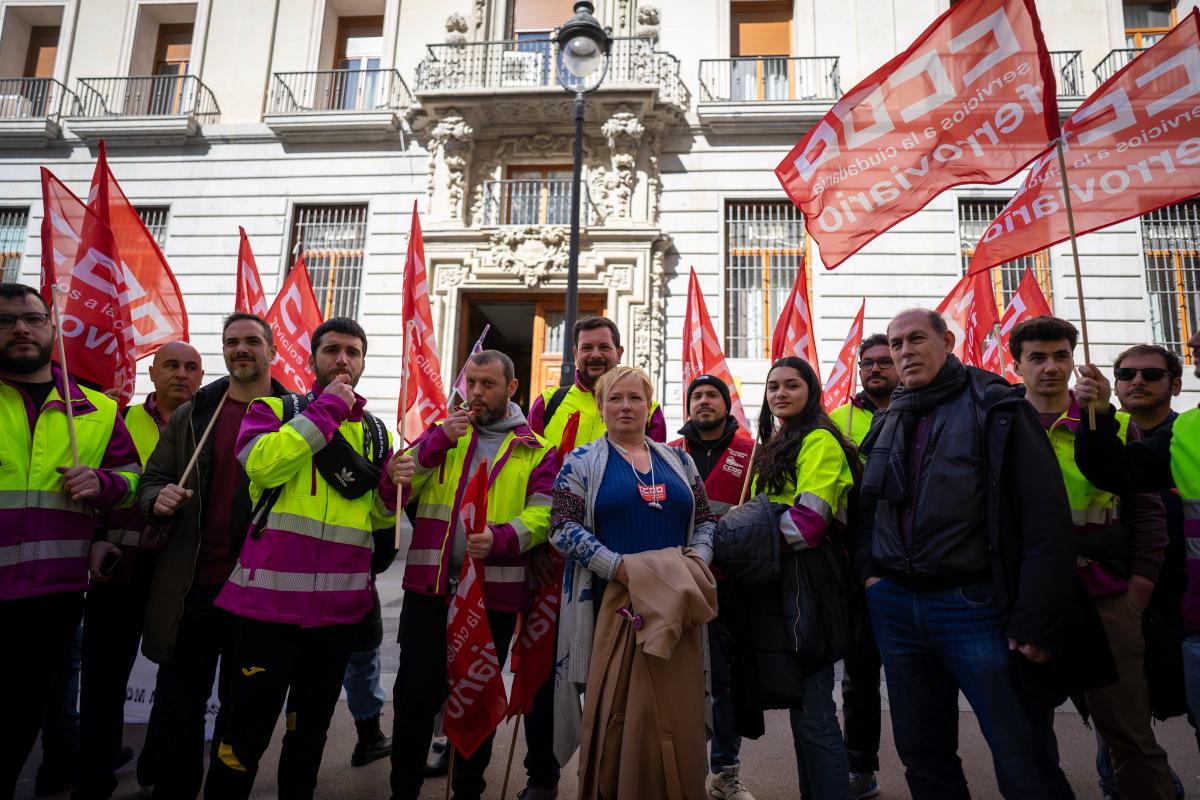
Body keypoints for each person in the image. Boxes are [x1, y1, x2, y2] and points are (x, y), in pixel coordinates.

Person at [858, 308, 1076, 799]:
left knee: (1023, 756)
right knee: (923, 755)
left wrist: (1036, 618)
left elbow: (1046, 521)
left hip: (976, 607)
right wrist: (874, 576)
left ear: (948, 340)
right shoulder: (891, 412)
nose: (905, 351)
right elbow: (869, 509)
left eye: (917, 339)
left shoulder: (997, 405)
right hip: (897, 606)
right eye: (896, 344)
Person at [202, 317, 397, 799]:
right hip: (266, 611)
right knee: (242, 736)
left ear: (364, 361)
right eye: (331, 350)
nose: (342, 360)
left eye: (353, 351)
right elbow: (262, 465)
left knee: (308, 735)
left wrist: (393, 488)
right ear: (311, 360)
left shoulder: (375, 431)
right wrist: (327, 408)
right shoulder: (273, 408)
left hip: (336, 616)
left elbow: (374, 516)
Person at [1009, 317, 1173, 799]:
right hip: (1028, 601)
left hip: (1106, 597)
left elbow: (1147, 514)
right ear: (1016, 366)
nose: (1051, 367)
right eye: (1037, 357)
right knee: (1027, 735)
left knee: (1132, 740)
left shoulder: (1113, 423)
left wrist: (1139, 590)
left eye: (1061, 355)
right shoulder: (999, 425)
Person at [389, 349, 556, 800]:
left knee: (476, 698)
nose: (477, 394)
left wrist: (502, 538)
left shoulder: (536, 448)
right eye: (471, 384)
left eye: (488, 385)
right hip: (429, 587)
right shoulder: (441, 433)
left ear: (512, 389)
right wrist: (435, 441)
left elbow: (544, 516)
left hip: (492, 596)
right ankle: (401, 790)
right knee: (414, 697)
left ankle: (468, 790)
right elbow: (402, 487)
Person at [136, 313, 287, 799]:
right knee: (178, 706)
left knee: (243, 716)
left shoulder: (298, 414)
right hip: (195, 589)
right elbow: (151, 481)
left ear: (272, 350)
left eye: (251, 341)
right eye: (231, 342)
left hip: (259, 595)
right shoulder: (192, 414)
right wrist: (155, 501)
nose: (240, 349)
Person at [0, 283, 141, 800]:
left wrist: (103, 485)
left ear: (52, 327)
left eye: (32, 318)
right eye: (6, 319)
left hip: (51, 601)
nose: (20, 328)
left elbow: (132, 481)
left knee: (18, 723)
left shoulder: (100, 411)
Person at [550, 365, 718, 798]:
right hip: (613, 610)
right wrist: (621, 569)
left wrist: (695, 564)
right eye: (615, 398)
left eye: (635, 398)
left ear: (650, 406)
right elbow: (562, 528)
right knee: (618, 719)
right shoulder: (581, 462)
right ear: (601, 407)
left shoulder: (679, 460)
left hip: (678, 608)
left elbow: (706, 521)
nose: (625, 406)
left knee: (679, 716)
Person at [522, 316, 667, 800]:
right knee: (546, 674)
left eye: (604, 346)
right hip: (554, 563)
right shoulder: (550, 403)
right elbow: (534, 476)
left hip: (620, 571)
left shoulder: (647, 406)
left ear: (618, 350)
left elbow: (659, 476)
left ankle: (618, 774)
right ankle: (541, 776)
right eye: (586, 347)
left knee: (622, 676)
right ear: (575, 354)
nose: (595, 354)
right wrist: (541, 548)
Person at [75, 341, 204, 800]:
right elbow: (93, 488)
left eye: (191, 367)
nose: (181, 375)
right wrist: (96, 542)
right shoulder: (117, 419)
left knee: (174, 682)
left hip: (176, 576)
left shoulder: (206, 426)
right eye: (171, 365)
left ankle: (156, 762)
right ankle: (93, 775)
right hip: (118, 571)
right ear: (152, 372)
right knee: (104, 679)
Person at [737, 356, 857, 799]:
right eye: (773, 387)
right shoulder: (773, 444)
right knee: (802, 707)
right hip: (778, 584)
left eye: (791, 385)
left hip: (811, 581)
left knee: (813, 710)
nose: (781, 394)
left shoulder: (820, 440)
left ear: (811, 391)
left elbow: (808, 523)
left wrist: (737, 545)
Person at [1073, 328, 1200, 740]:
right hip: (1148, 599)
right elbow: (1115, 472)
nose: (1137, 382)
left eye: (1151, 374)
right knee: (1124, 721)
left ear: (1176, 384)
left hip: (1177, 599)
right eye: (1127, 373)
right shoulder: (1187, 434)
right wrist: (1100, 417)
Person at [668, 374, 755, 800]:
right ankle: (679, 773)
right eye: (696, 395)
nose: (704, 401)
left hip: (730, 588)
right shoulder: (666, 454)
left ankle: (725, 774)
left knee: (725, 687)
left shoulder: (752, 454)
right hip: (677, 586)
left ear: (727, 406)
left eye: (712, 395)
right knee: (678, 685)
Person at [828, 333, 897, 800]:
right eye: (867, 363)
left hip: (916, 562)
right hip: (858, 565)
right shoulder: (837, 421)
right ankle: (860, 768)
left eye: (884, 362)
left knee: (922, 678)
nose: (875, 370)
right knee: (859, 678)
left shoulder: (923, 412)